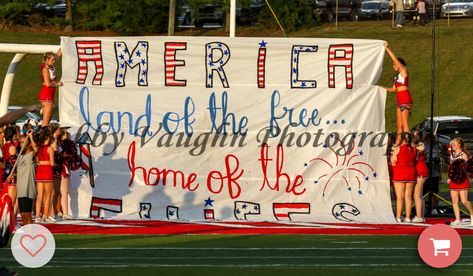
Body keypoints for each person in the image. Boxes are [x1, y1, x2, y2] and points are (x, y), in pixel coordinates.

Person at [383, 42, 413, 145]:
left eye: (395, 64)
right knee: (399, 125)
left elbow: (394, 59)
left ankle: (408, 142)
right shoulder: (396, 77)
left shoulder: (404, 71)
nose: (393, 66)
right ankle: (396, 145)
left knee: (405, 122)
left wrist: (387, 49)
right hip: (399, 100)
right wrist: (381, 88)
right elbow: (393, 89)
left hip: (405, 98)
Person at [391, 132, 417, 223]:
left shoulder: (398, 148)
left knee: (400, 197)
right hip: (411, 172)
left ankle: (398, 217)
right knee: (408, 197)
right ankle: (407, 217)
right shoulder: (413, 149)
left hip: (400, 173)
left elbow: (393, 161)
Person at [448, 137, 473, 226]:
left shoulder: (464, 155)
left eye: (454, 144)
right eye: (452, 144)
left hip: (462, 180)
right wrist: (450, 177)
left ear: (459, 145)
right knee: (454, 201)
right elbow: (451, 168)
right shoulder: (452, 155)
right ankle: (457, 219)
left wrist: (468, 176)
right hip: (454, 181)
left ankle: (472, 215)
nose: (452, 145)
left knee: (464, 201)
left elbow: (469, 168)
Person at [16, 125, 38, 226]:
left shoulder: (31, 155)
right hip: (20, 188)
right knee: (23, 214)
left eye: (23, 142)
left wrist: (31, 137)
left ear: (28, 144)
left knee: (27, 214)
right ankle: (26, 234)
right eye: (20, 143)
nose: (21, 144)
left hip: (28, 188)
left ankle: (30, 234)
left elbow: (36, 150)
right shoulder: (20, 156)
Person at [34, 129, 55, 223]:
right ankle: (46, 216)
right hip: (47, 171)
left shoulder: (38, 148)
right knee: (48, 195)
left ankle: (37, 216)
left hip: (39, 171)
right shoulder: (50, 149)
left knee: (39, 195)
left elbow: (37, 161)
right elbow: (52, 163)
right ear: (48, 138)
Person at [38, 50, 62, 127]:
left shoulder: (50, 65)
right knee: (46, 122)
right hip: (46, 96)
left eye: (54, 59)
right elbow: (48, 84)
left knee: (48, 120)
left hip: (49, 96)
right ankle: (42, 137)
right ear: (47, 60)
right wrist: (57, 84)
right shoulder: (45, 69)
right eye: (52, 60)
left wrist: (65, 41)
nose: (54, 61)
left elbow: (58, 55)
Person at [412, 129, 428, 223]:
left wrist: (413, 145)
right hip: (418, 169)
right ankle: (421, 215)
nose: (415, 137)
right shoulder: (415, 144)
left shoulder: (421, 144)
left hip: (420, 170)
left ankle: (419, 216)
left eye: (416, 135)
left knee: (417, 195)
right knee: (420, 195)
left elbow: (422, 148)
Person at [424, 131, 441, 215]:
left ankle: (433, 208)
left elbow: (438, 162)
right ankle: (423, 207)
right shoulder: (423, 148)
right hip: (426, 174)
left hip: (434, 174)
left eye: (432, 139)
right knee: (424, 192)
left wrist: (440, 173)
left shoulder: (436, 148)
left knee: (434, 192)